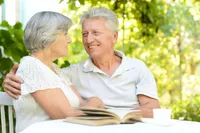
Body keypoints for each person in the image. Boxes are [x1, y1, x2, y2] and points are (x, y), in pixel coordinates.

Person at [3, 7, 160, 119]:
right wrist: (9, 81)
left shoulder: (137, 67)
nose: (88, 40)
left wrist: (118, 115)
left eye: (95, 33)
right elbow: (35, 75)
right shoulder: (72, 73)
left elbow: (153, 108)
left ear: (114, 37)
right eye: (85, 34)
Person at [10, 11, 104, 133]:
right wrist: (95, 101)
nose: (70, 40)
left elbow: (81, 105)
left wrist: (89, 105)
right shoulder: (31, 65)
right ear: (48, 36)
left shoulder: (55, 70)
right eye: (65, 34)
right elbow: (67, 117)